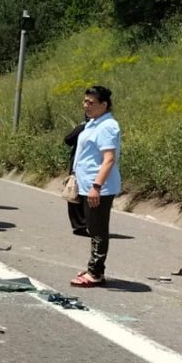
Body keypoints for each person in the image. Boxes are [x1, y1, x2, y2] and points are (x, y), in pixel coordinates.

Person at [70, 86, 121, 287]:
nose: (86, 106)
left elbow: (108, 159)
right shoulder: (94, 123)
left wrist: (96, 186)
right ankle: (93, 266)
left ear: (104, 105)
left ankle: (96, 273)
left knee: (98, 229)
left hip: (99, 186)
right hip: (87, 184)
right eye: (85, 101)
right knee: (92, 228)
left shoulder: (107, 126)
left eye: (91, 103)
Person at [63, 118, 89, 236]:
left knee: (75, 193)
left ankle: (80, 224)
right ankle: (83, 224)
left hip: (78, 165)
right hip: (89, 166)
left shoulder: (83, 127)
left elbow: (68, 139)